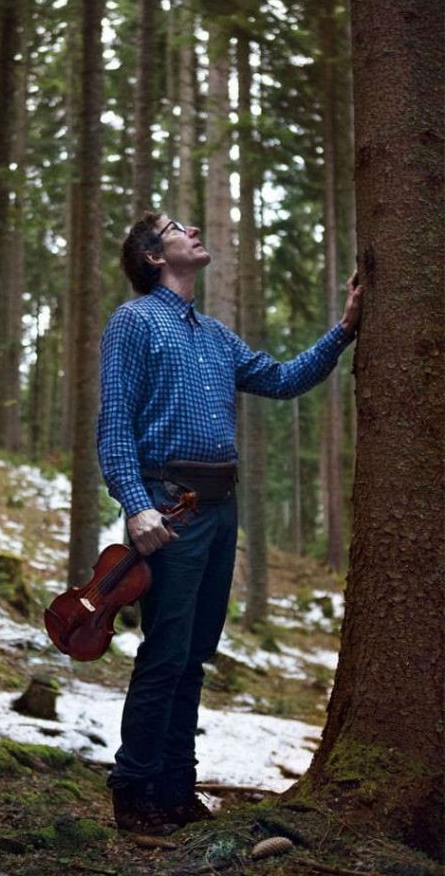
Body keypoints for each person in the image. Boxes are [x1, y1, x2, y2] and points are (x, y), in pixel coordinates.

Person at [97, 211, 363, 835]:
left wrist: (345, 331)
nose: (192, 230)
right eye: (175, 227)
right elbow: (114, 425)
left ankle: (176, 787)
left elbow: (280, 378)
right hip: (168, 506)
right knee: (164, 653)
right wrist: (136, 506)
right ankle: (133, 790)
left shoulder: (215, 336)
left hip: (220, 510)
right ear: (152, 257)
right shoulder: (133, 321)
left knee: (194, 654)